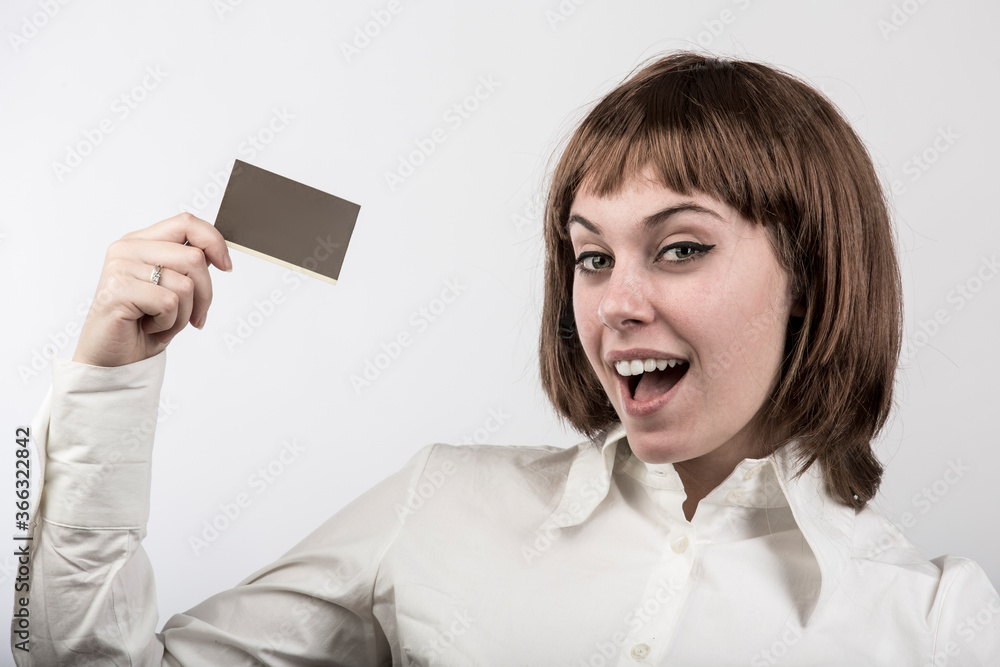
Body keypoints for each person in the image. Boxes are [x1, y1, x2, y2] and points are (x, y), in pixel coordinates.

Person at [13, 51, 1000, 665]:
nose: (614, 302)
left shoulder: (939, 625)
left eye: (681, 247)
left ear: (816, 276)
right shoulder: (439, 504)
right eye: (590, 255)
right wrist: (110, 379)